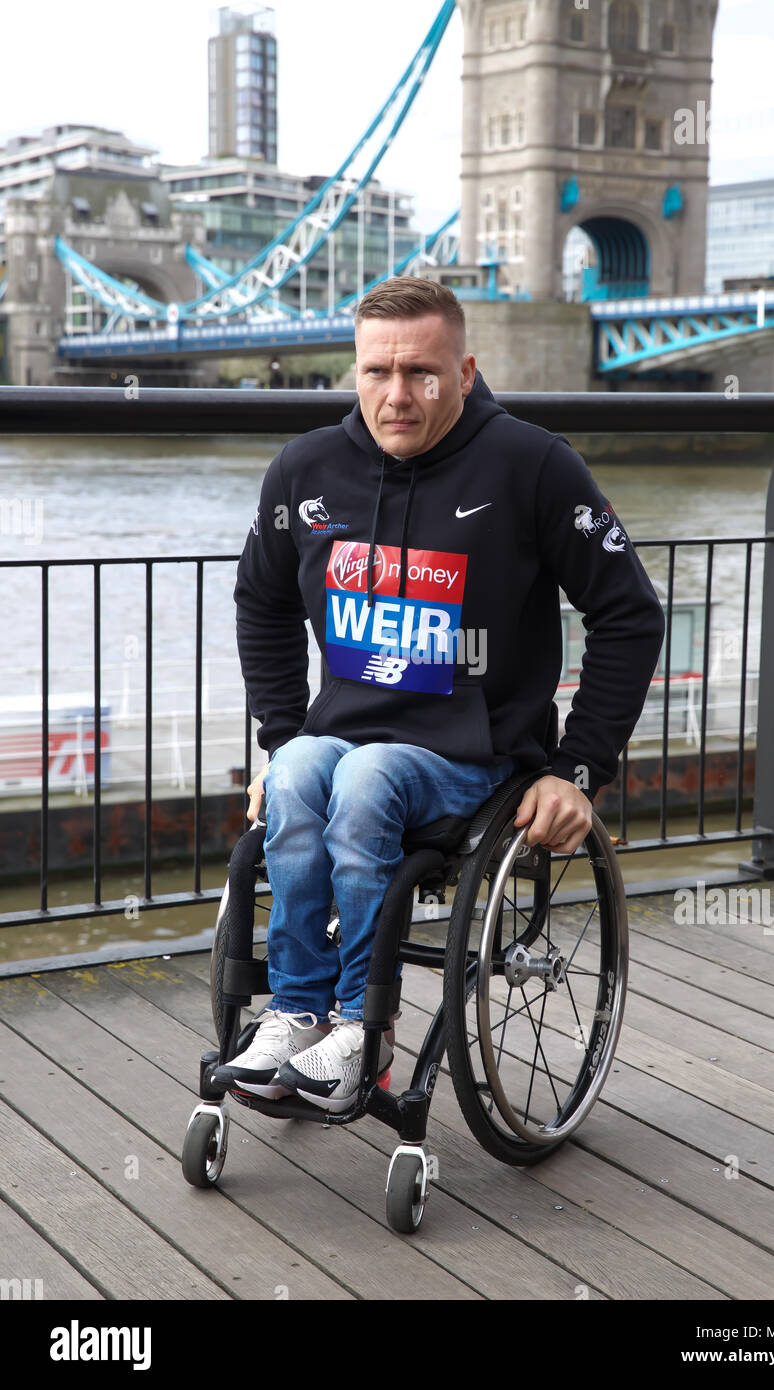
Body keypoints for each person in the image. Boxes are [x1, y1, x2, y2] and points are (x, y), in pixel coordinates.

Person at [219, 277, 665, 1111]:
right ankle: (296, 1010)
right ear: (352, 372)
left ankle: (361, 1028)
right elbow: (263, 604)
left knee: (364, 777)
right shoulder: (304, 469)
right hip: (343, 743)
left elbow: (630, 615)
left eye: (422, 373)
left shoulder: (533, 465)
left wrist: (577, 769)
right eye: (376, 372)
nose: (397, 395)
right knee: (308, 769)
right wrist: (279, 742)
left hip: (476, 757)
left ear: (465, 369)